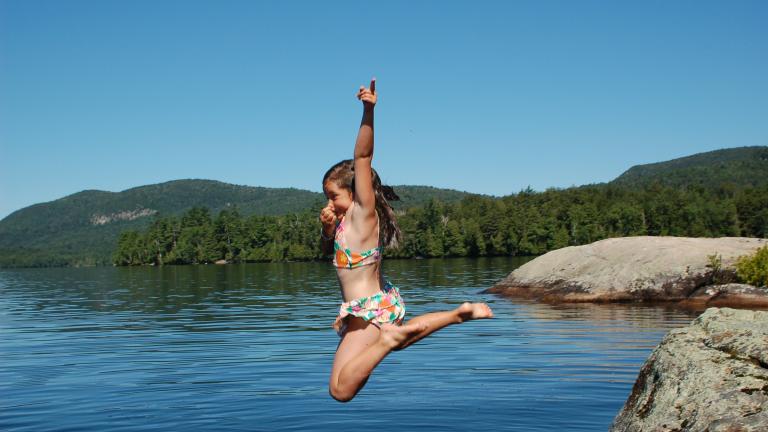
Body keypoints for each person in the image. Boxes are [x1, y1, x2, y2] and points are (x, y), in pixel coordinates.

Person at [320, 78, 494, 402]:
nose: (329, 203)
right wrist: (328, 230)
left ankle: (389, 339)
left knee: (340, 390)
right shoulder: (347, 223)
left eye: (333, 196)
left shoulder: (362, 212)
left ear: (355, 193)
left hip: (369, 311)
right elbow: (336, 252)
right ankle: (459, 314)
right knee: (400, 340)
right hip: (374, 307)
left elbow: (362, 157)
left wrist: (368, 111)